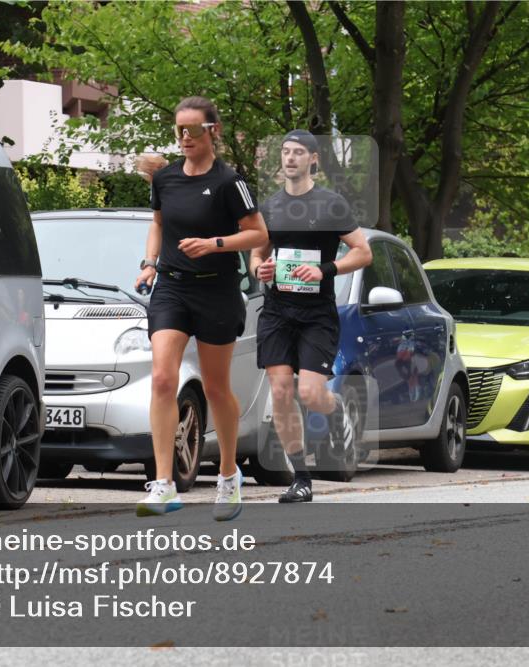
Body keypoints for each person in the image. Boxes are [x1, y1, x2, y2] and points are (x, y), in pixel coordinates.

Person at [133, 96, 268, 519]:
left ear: (213, 131)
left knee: (214, 388)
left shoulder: (230, 182)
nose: (184, 138)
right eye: (178, 131)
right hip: (171, 287)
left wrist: (215, 245)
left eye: (192, 130)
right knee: (161, 379)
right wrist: (149, 263)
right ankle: (164, 483)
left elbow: (258, 233)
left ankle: (229, 475)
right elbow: (157, 224)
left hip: (217, 289)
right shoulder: (166, 179)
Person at [250, 130, 372, 503]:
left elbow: (363, 252)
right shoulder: (269, 207)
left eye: (298, 152)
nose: (290, 158)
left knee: (311, 393)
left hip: (316, 313)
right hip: (277, 310)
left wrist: (325, 270)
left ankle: (335, 410)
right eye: (285, 152)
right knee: (282, 391)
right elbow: (256, 255)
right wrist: (260, 270)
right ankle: (301, 477)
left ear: (313, 159)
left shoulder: (331, 204)